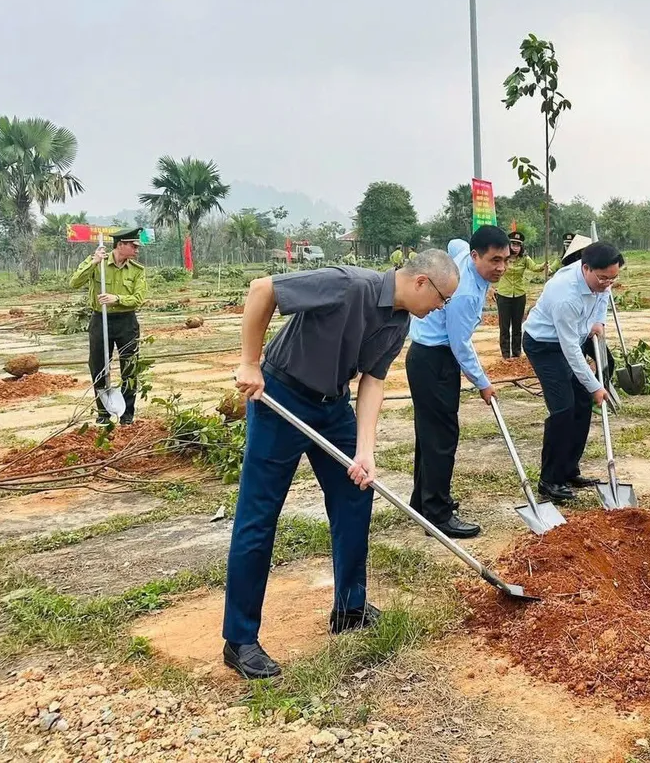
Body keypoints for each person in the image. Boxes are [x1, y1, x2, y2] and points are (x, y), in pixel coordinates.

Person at [223, 250, 459, 680]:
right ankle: (240, 640)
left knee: (356, 495)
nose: (441, 309)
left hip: (333, 408)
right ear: (423, 282)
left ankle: (349, 607)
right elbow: (263, 289)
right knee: (259, 516)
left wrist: (365, 450)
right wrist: (250, 362)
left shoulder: (399, 322)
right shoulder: (348, 284)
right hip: (281, 397)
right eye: (443, 299)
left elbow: (373, 382)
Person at [407, 226, 510, 538]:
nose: (501, 268)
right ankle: (437, 516)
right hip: (435, 360)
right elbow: (460, 345)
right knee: (441, 438)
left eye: (506, 260)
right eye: (494, 260)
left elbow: (454, 242)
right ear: (476, 255)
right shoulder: (464, 293)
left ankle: (423, 503)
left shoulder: (463, 254)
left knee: (430, 435)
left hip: (426, 357)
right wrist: (483, 383)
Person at [523, 238, 623, 501]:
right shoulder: (564, 294)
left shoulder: (603, 278)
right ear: (585, 268)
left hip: (574, 337)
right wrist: (595, 386)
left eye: (612, 279)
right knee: (563, 408)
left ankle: (569, 469)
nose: (607, 284)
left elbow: (602, 298)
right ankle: (549, 480)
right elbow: (570, 350)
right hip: (545, 345)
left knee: (581, 404)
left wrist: (598, 321)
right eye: (602, 278)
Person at [70, 227, 147, 425]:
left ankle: (127, 414)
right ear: (120, 245)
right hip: (100, 320)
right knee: (98, 366)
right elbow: (74, 282)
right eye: (133, 245)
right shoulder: (98, 263)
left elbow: (139, 298)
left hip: (126, 322)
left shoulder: (137, 271)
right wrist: (93, 262)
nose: (137, 249)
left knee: (130, 367)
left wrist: (117, 298)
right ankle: (103, 413)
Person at [494, 229, 545, 359]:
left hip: (519, 295)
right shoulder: (502, 258)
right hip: (504, 294)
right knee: (504, 326)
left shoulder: (524, 259)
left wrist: (547, 264)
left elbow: (536, 268)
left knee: (517, 326)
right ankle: (505, 354)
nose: (515, 247)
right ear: (508, 245)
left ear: (521, 246)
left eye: (518, 245)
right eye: (513, 244)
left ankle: (517, 352)